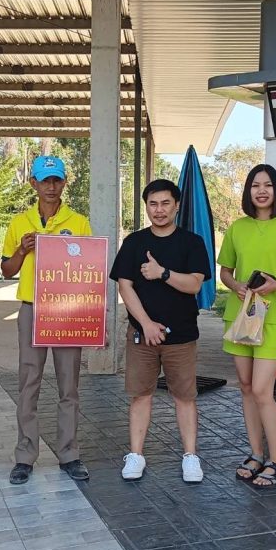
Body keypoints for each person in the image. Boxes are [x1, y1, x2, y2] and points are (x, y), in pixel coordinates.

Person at [109, 179, 211, 483]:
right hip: (142, 335)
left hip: (182, 335)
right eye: (153, 204)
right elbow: (124, 286)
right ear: (146, 207)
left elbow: (194, 284)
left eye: (166, 203)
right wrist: (146, 324)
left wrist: (162, 273)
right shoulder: (134, 242)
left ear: (176, 205)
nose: (159, 209)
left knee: (185, 396)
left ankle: (190, 456)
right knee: (140, 395)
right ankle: (136, 454)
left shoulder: (192, 242)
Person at [218, 164, 276, 489]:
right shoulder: (238, 227)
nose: (261, 191)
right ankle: (256, 454)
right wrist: (235, 285)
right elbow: (225, 271)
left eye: (268, 185)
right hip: (240, 316)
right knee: (246, 387)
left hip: (274, 317)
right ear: (248, 191)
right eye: (255, 185)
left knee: (261, 390)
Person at [1, 155, 92, 485]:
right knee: (29, 382)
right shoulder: (19, 223)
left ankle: (69, 453)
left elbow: (90, 269)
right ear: (34, 184)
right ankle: (25, 456)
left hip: (67, 309)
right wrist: (22, 251)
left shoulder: (79, 222)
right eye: (45, 180)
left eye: (56, 180)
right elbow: (6, 270)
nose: (51, 186)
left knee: (69, 385)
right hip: (31, 308)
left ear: (64, 182)